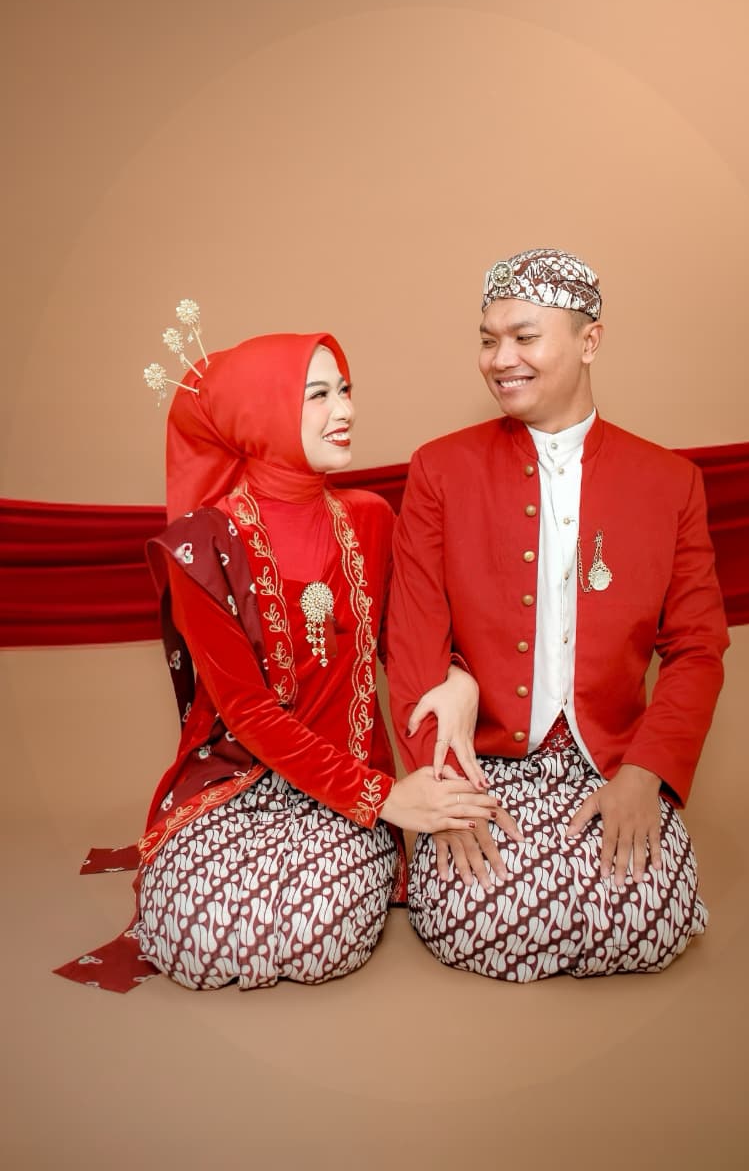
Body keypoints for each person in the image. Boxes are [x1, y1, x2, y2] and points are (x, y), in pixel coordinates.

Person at [57, 331, 508, 993]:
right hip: (238, 780)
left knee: (314, 935)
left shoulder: (372, 520)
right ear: (260, 414)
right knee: (191, 934)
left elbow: (410, 640)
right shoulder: (203, 545)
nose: (345, 410)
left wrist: (459, 675)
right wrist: (387, 798)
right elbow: (246, 711)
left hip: (349, 786)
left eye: (345, 390)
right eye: (317, 395)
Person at [387, 248, 730, 982]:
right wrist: (438, 783)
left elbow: (698, 648)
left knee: (649, 922)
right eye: (488, 340)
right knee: (479, 920)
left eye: (524, 337)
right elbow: (412, 637)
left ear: (589, 341)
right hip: (482, 759)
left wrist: (644, 777)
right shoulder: (440, 470)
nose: (500, 359)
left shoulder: (669, 482)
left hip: (611, 757)